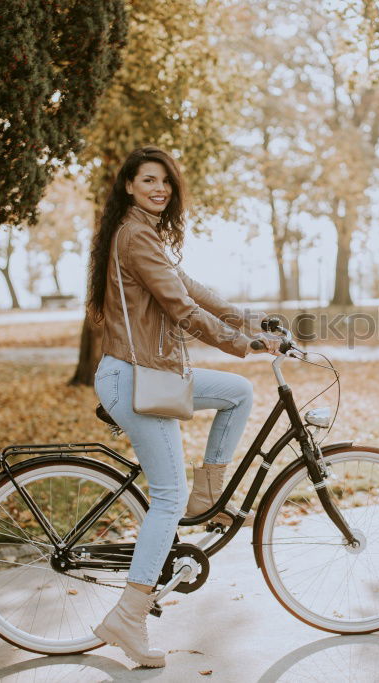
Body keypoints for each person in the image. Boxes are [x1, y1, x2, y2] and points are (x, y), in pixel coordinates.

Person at [85, 146, 282, 667]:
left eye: (166, 182)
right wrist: (244, 344)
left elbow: (191, 288)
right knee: (166, 496)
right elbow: (181, 307)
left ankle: (208, 496)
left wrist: (252, 321)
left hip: (153, 375)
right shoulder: (134, 235)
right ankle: (127, 617)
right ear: (129, 185)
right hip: (136, 378)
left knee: (237, 393)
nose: (160, 188)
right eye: (149, 180)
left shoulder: (144, 234)